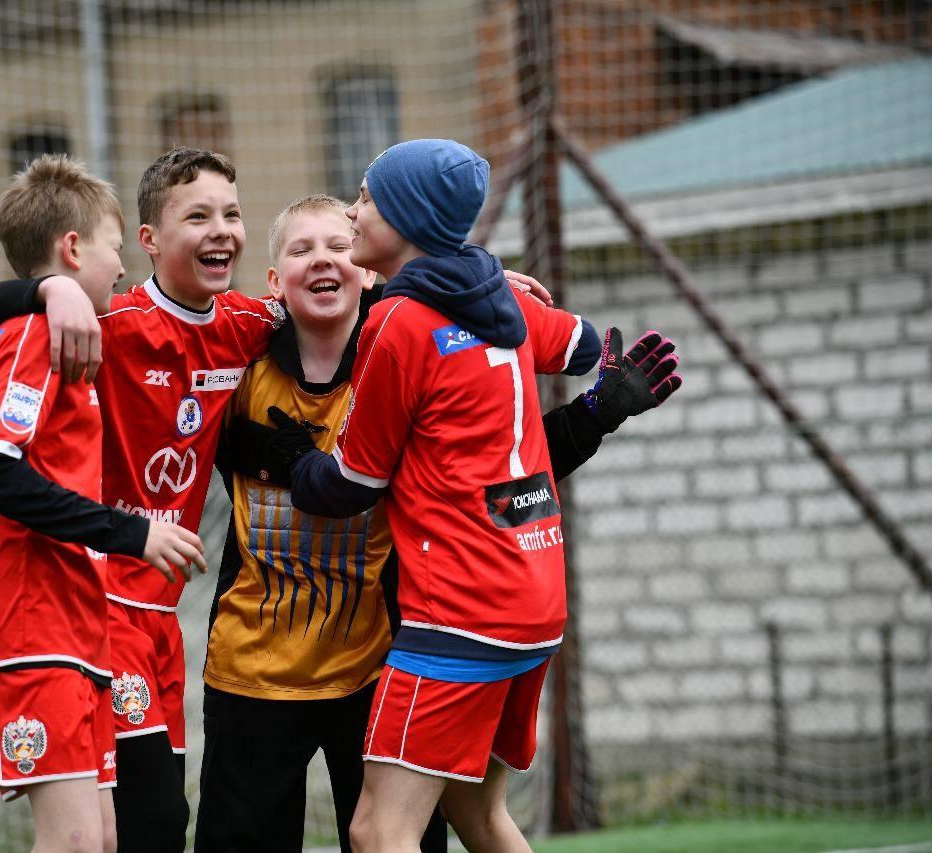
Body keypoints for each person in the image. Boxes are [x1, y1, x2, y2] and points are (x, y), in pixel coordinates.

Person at [193, 195, 680, 852]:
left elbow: (500, 472)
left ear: (368, 270)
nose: (323, 260)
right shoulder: (238, 364)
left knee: (397, 833)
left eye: (339, 244)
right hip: (252, 671)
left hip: (381, 660)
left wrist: (594, 413)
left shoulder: (410, 341)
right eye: (301, 250)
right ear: (274, 282)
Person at [0, 147, 286, 852]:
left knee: (145, 828)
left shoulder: (245, 323)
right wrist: (51, 290)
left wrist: (469, 281)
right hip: (97, 602)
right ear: (148, 241)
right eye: (198, 215)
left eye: (232, 213)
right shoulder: (106, 320)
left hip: (160, 614)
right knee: (144, 822)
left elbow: (344, 303)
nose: (221, 229)